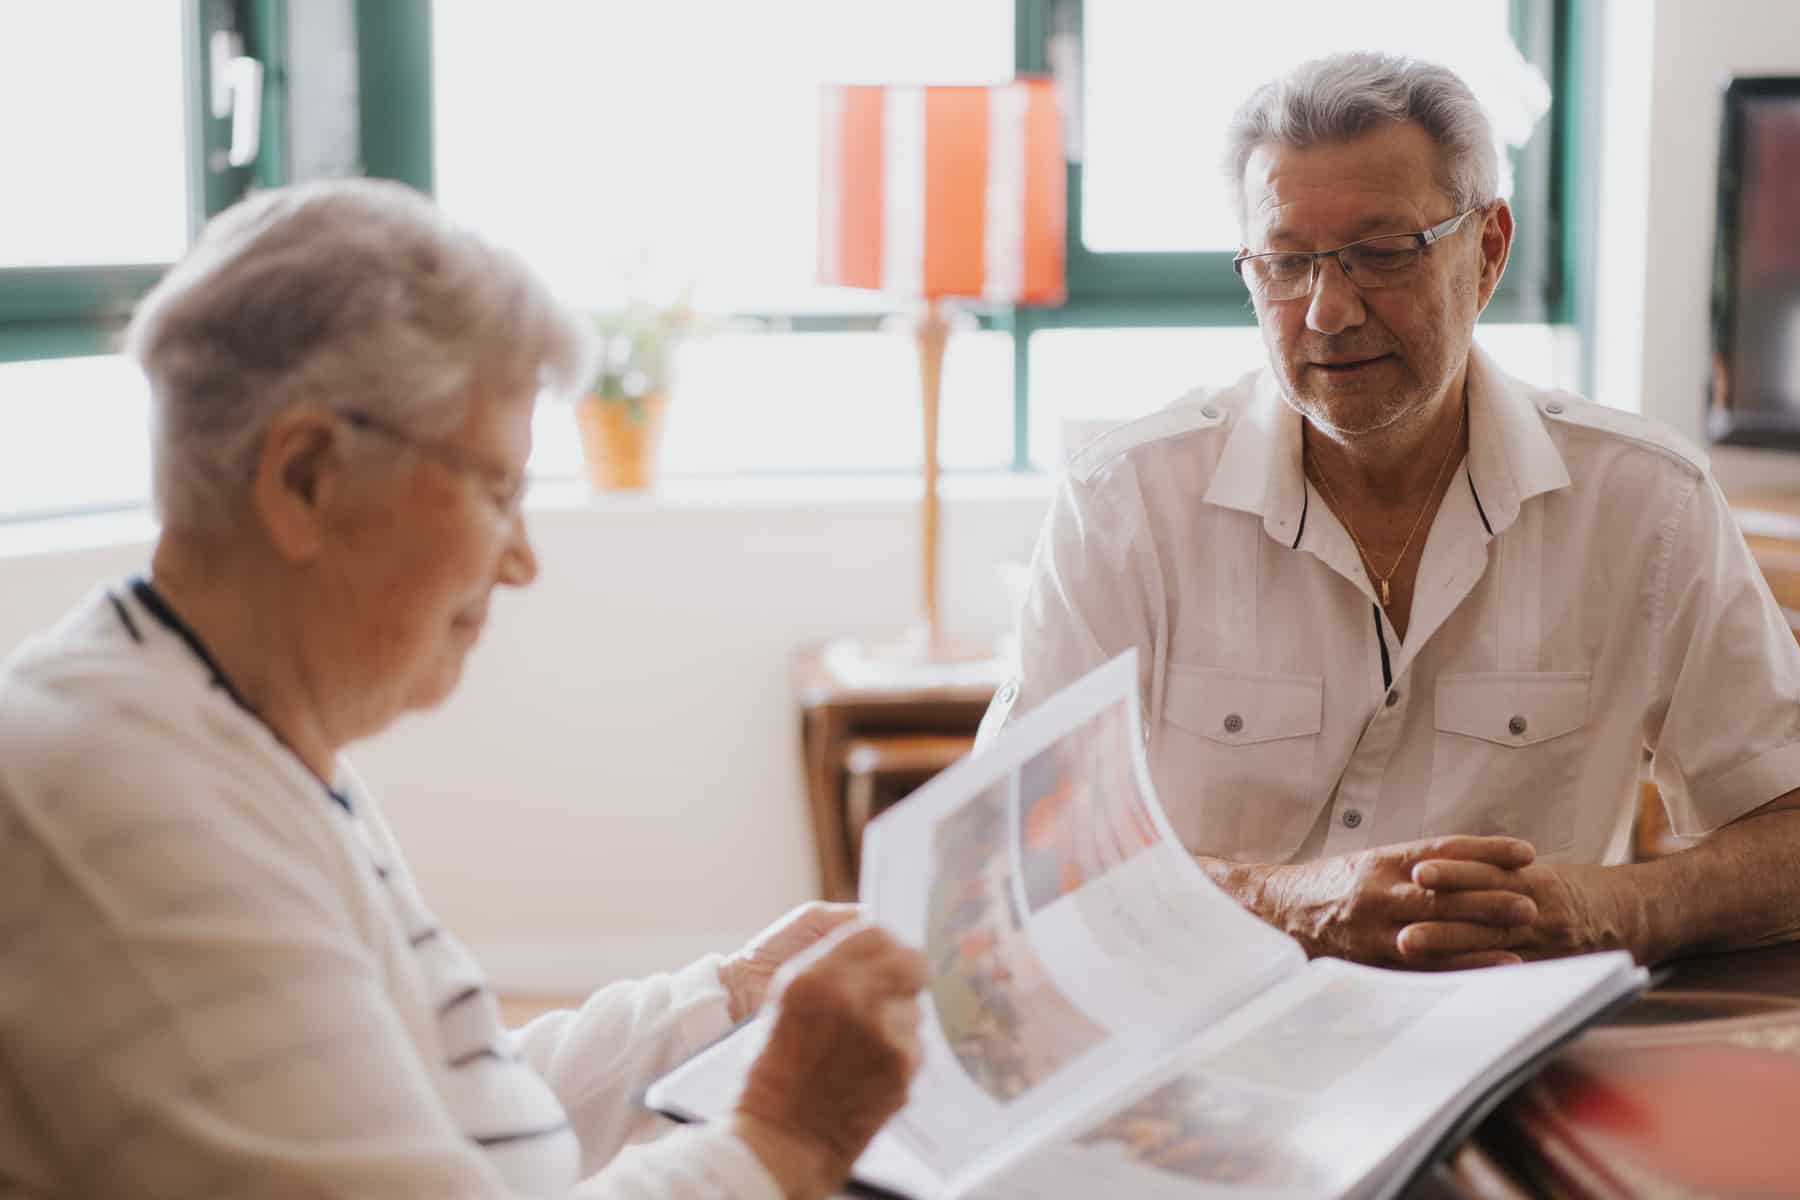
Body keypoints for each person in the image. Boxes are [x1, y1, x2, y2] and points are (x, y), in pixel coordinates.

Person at [0, 180, 924, 1199]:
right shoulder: (133, 811)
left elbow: (436, 1119)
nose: (521, 561)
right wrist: (780, 1139)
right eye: (497, 492)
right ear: (305, 477)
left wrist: (722, 1003)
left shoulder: (220, 722)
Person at [999, 52, 1800, 971]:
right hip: (1209, 1028)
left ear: (1488, 249)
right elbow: (1017, 855)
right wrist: (1290, 905)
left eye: (1382, 254)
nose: (1329, 310)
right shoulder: (1126, 503)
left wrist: (1607, 907)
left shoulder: (1647, 503)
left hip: (1520, 1032)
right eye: (1286, 263)